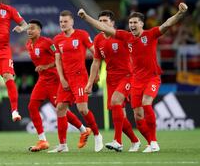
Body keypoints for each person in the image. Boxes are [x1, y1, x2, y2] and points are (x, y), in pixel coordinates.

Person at [78, 2, 188, 152]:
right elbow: (102, 34)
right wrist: (86, 18)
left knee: (145, 102)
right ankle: (145, 142)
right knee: (136, 116)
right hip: (133, 80)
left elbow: (167, 24)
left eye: (135, 22)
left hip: (144, 77)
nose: (132, 25)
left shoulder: (150, 34)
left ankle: (144, 142)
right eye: (130, 23)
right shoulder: (125, 37)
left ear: (142, 24)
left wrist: (180, 13)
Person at [25, 19, 91, 152]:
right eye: (28, 28)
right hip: (43, 80)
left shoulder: (48, 42)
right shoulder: (28, 45)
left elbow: (59, 58)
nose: (29, 31)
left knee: (60, 109)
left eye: (32, 28)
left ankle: (83, 130)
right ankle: (42, 140)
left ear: (39, 30)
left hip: (55, 80)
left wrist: (46, 66)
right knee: (32, 106)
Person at [83, 10, 140, 152]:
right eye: (100, 21)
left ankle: (117, 141)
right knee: (119, 112)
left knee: (115, 102)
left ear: (112, 23)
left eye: (105, 21)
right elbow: (96, 62)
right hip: (111, 79)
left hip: (127, 75)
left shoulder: (122, 36)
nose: (102, 24)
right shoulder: (98, 40)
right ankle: (135, 141)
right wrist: (90, 83)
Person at [49, 10, 103, 153]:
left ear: (72, 22)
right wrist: (61, 78)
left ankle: (97, 135)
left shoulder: (82, 35)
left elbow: (95, 53)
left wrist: (96, 73)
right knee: (60, 108)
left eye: (65, 21)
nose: (63, 24)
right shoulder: (57, 39)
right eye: (61, 22)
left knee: (82, 109)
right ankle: (63, 145)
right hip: (66, 79)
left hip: (79, 77)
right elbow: (57, 60)